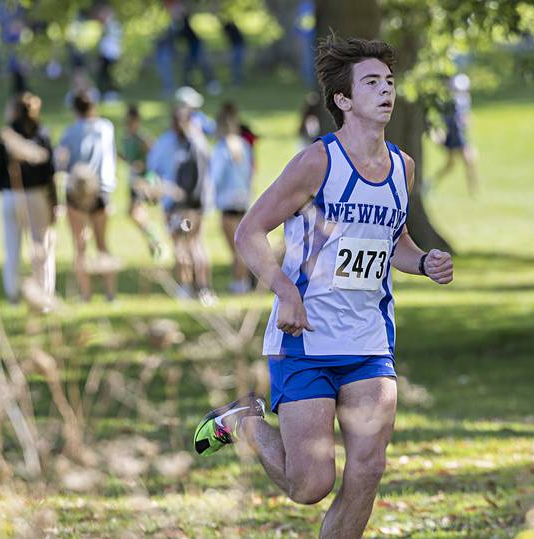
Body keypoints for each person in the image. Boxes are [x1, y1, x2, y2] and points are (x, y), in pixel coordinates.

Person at [193, 35, 454, 538]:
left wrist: (425, 262)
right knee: (309, 484)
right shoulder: (318, 163)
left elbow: (394, 240)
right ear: (343, 100)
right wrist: (284, 290)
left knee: (367, 472)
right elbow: (249, 231)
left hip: (369, 343)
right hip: (305, 340)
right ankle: (246, 419)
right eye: (372, 83)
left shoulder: (403, 167)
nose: (386, 91)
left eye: (390, 82)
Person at [0, 92, 57, 304]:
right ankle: (44, 294)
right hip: (35, 194)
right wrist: (53, 199)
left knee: (12, 246)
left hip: (11, 196)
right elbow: (50, 170)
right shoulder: (41, 134)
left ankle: (13, 295)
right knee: (41, 245)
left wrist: (5, 188)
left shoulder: (6, 135)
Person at [147, 104, 216, 305]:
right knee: (194, 243)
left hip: (180, 207)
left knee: (184, 245)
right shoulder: (198, 142)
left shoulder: (180, 143)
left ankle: (190, 288)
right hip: (192, 206)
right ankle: (201, 288)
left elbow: (154, 171)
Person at [57, 91, 118, 302]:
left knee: (80, 244)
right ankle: (110, 294)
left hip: (77, 191)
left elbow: (61, 161)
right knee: (102, 242)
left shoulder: (70, 132)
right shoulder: (106, 128)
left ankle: (86, 294)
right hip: (101, 189)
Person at [211, 103, 253, 294]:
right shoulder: (244, 145)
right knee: (241, 245)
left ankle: (239, 282)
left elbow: (215, 176)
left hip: (227, 201)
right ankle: (242, 281)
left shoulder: (221, 149)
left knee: (234, 247)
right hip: (243, 199)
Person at [120, 104, 165, 259]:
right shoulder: (126, 138)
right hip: (133, 180)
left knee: (135, 211)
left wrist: (144, 166)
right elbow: (128, 158)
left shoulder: (142, 138)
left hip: (144, 180)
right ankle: (153, 238)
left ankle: (155, 238)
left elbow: (156, 156)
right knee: (134, 212)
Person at [433, 73, 479, 195]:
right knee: (452, 165)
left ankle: (473, 191)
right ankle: (430, 183)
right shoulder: (447, 102)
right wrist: (439, 134)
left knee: (468, 162)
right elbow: (440, 121)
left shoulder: (465, 100)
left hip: (461, 136)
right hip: (452, 137)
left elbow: (465, 117)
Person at [95, 3, 122, 102]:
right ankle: (105, 92)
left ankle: (111, 93)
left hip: (111, 54)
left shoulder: (112, 25)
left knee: (110, 75)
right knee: (104, 75)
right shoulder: (106, 26)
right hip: (106, 54)